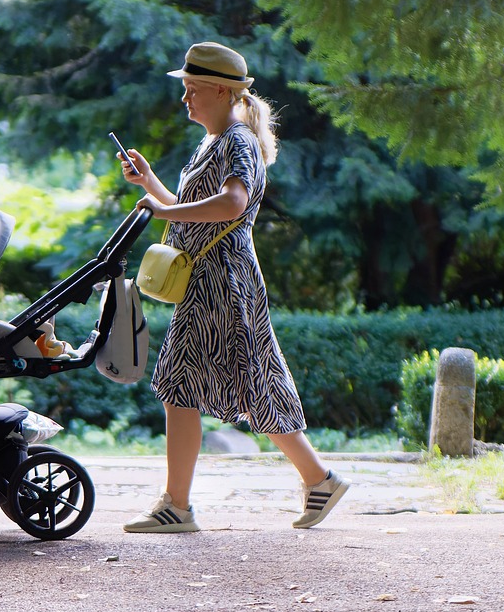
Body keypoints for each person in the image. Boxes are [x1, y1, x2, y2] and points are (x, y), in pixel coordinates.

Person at [118, 41, 349, 532]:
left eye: (192, 89)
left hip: (222, 276)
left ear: (222, 92)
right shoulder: (216, 141)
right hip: (216, 275)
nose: (185, 99)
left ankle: (177, 505)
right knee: (252, 380)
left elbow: (233, 204)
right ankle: (319, 479)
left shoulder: (237, 141)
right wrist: (150, 184)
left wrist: (164, 210)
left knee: (183, 382)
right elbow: (191, 207)